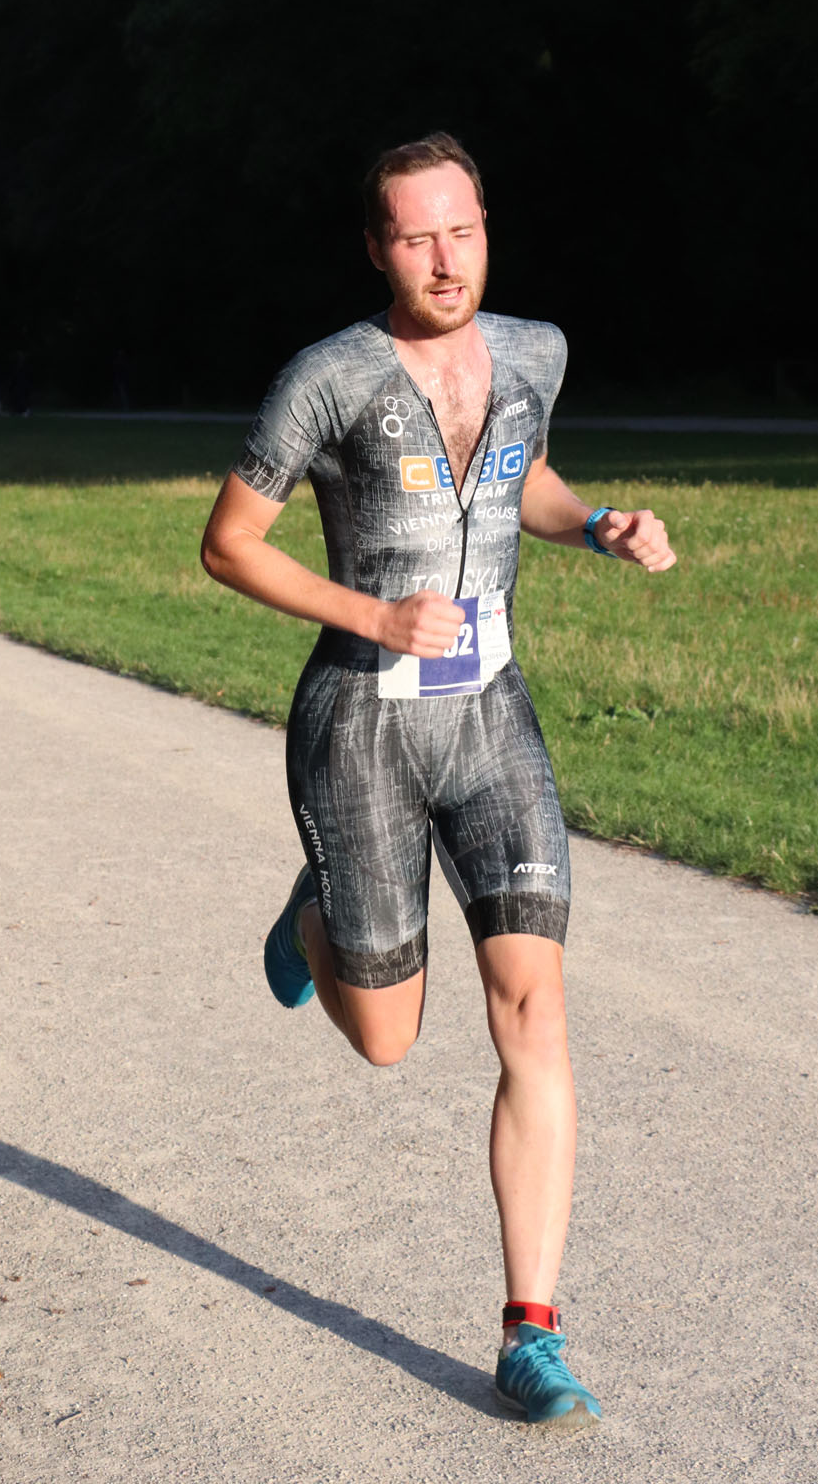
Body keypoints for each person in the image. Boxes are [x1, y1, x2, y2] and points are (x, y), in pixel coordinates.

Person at [201, 131, 676, 1426]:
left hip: (490, 719)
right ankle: (318, 913)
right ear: (378, 248)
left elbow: (525, 477)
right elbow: (230, 545)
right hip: (359, 724)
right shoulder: (329, 378)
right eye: (415, 237)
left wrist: (596, 524)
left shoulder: (535, 352)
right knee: (387, 1040)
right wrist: (374, 615)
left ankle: (533, 1332)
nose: (444, 258)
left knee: (535, 1010)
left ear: (486, 231)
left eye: (460, 230)